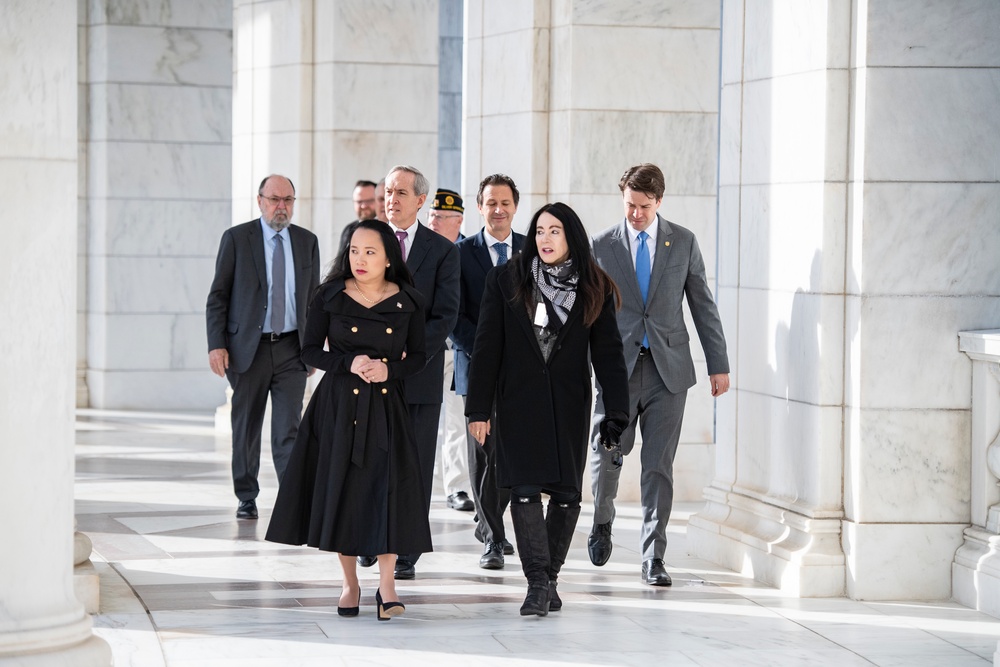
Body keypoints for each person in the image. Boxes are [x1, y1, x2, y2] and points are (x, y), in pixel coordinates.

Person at [466, 202, 629, 616]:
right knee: (522, 492)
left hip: (569, 405)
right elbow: (486, 349)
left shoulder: (595, 286)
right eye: (539, 231)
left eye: (554, 231)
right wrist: (478, 410)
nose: (545, 239)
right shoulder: (506, 279)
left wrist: (617, 413)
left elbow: (609, 356)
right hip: (517, 403)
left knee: (566, 496)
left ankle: (551, 578)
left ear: (571, 236)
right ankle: (537, 583)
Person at [265, 219, 430, 621]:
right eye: (354, 250)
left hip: (387, 406)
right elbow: (308, 352)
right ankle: (350, 583)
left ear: (389, 257)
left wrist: (389, 370)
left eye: (370, 252)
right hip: (338, 406)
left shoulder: (408, 300)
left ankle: (387, 586)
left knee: (388, 489)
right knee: (346, 489)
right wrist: (348, 362)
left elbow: (420, 357)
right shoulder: (329, 296)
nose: (360, 259)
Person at [587, 163, 730, 586]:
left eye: (644, 207)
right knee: (608, 454)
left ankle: (653, 556)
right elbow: (588, 312)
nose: (635, 214)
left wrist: (717, 363)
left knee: (658, 467)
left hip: (669, 372)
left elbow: (702, 304)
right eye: (630, 205)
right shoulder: (602, 245)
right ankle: (602, 518)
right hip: (618, 372)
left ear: (659, 202)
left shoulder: (682, 241)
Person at [206, 174, 320, 520]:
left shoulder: (306, 242)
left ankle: (291, 500)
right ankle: (246, 495)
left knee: (289, 429)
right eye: (274, 199)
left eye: (288, 200)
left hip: (291, 349)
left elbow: (313, 299)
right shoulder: (238, 239)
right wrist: (216, 345)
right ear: (260, 201)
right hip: (247, 349)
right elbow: (218, 296)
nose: (281, 207)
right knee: (246, 426)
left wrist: (313, 345)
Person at [377, 165, 460, 580]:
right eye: (388, 191)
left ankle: (407, 549)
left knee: (414, 465)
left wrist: (408, 352)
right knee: (372, 461)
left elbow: (445, 314)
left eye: (401, 192)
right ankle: (371, 538)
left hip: (418, 375)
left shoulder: (443, 251)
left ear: (420, 200)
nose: (392, 198)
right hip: (369, 376)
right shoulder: (364, 240)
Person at [451, 174, 525, 569]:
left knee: (509, 456)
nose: (498, 210)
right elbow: (453, 315)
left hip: (520, 375)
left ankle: (489, 522)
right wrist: (484, 352)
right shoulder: (462, 254)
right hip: (476, 370)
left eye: (505, 203)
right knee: (481, 455)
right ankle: (494, 538)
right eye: (490, 203)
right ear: (479, 207)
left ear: (515, 207)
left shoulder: (532, 251)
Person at [427, 188, 474, 512]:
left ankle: (456, 487)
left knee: (457, 420)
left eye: (441, 217)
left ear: (457, 220)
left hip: (457, 349)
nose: (434, 222)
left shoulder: (469, 253)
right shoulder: (423, 251)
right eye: (431, 215)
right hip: (426, 349)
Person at [338, 179, 379, 255]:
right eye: (359, 202)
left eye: (369, 201)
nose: (364, 206)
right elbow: (340, 264)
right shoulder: (348, 230)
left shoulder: (389, 229)